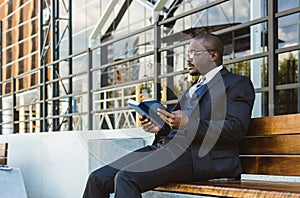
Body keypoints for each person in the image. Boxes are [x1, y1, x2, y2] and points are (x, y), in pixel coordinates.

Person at [83, 33, 255, 198]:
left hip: (201, 156)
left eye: (194, 53)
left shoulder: (237, 84)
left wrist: (189, 124)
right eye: (188, 53)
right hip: (167, 149)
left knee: (126, 177)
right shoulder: (193, 87)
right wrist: (161, 127)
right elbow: (177, 126)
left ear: (213, 55)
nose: (188, 59)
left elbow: (235, 129)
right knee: (97, 178)